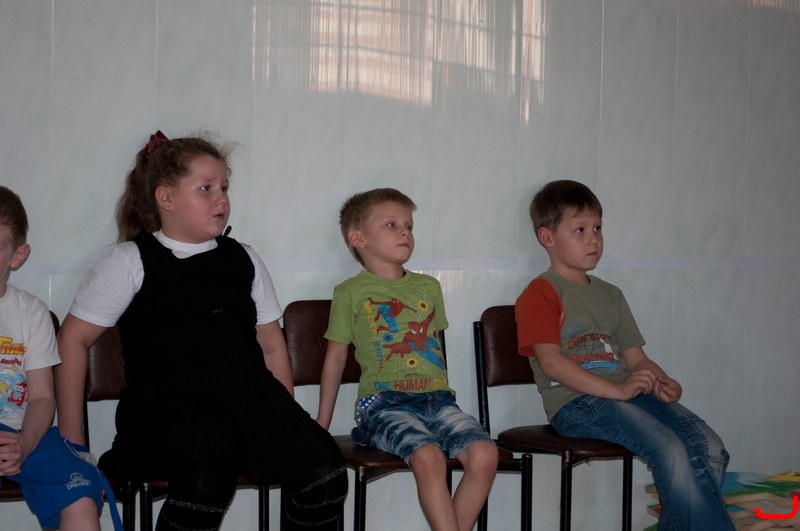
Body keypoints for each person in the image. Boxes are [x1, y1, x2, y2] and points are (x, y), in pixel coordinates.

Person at [55, 131, 347, 531]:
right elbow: (73, 339)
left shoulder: (243, 258)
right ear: (166, 198)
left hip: (248, 404)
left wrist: (285, 417)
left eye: (224, 187)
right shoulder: (130, 261)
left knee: (324, 473)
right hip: (169, 410)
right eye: (206, 188)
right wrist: (72, 442)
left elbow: (272, 345)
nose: (221, 199)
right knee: (205, 478)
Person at [515, 179, 734, 530]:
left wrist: (661, 381)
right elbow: (552, 363)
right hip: (575, 403)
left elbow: (637, 360)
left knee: (710, 448)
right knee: (669, 450)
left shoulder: (611, 295)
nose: (593, 239)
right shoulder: (540, 293)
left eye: (598, 228)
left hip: (625, 395)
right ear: (547, 238)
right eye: (580, 230)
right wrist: (617, 390)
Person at [317, 187, 498, 531]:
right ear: (358, 238)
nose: (405, 233)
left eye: (409, 226)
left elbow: (434, 348)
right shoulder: (350, 292)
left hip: (438, 401)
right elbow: (336, 358)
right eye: (392, 225)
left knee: (485, 455)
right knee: (429, 457)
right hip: (383, 404)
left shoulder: (428, 287)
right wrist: (321, 423)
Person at [0, 186, 109, 531]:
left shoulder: (31, 313)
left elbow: (43, 399)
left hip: (24, 433)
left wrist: (25, 444)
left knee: (82, 492)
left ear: (17, 255)